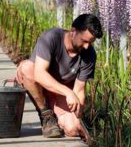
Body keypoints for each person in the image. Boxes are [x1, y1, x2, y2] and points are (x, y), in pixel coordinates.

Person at [13, 13, 102, 143]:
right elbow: (39, 74)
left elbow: (79, 90)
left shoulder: (89, 54)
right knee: (27, 68)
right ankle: (46, 115)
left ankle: (57, 115)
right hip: (39, 85)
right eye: (85, 41)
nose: (87, 46)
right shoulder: (51, 37)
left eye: (90, 42)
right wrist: (68, 92)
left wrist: (78, 116)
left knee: (72, 129)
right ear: (73, 31)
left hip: (59, 92)